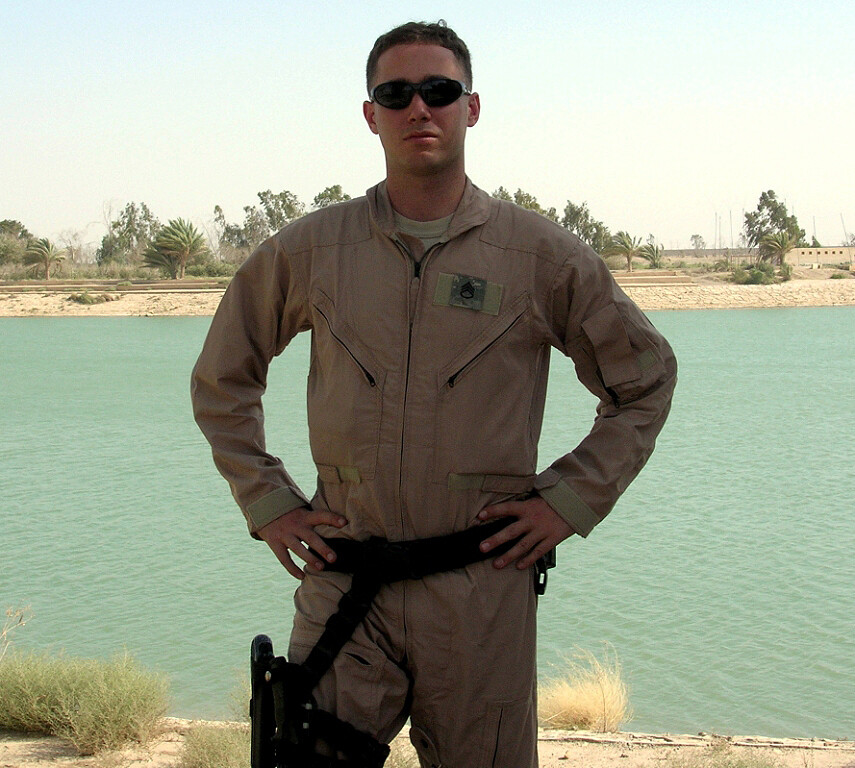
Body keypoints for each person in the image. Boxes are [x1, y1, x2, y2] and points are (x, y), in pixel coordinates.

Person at [192, 20, 677, 768]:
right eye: (396, 93)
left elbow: (644, 382)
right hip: (344, 590)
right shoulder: (311, 249)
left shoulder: (538, 256)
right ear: (371, 114)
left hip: (482, 595)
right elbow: (223, 378)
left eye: (439, 91)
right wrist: (271, 504)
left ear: (470, 108)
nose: (419, 108)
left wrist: (567, 502)